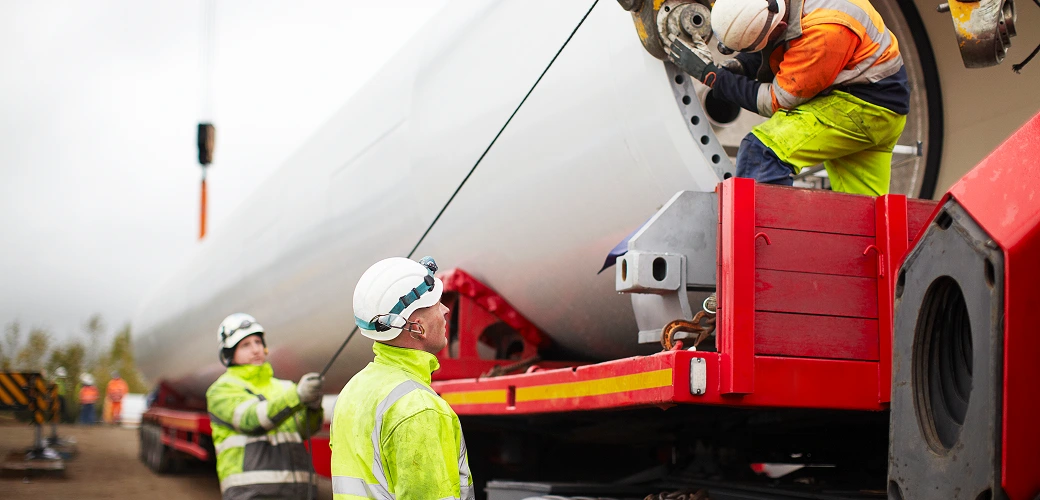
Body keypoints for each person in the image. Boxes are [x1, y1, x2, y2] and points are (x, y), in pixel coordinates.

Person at [668, 0, 909, 195]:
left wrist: (714, 78)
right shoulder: (783, 10)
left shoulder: (825, 32)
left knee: (762, 152)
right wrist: (741, 66)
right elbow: (778, 43)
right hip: (883, 109)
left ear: (780, 27)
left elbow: (776, 100)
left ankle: (766, 239)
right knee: (866, 218)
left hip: (862, 108)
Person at [331, 256, 474, 500]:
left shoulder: (353, 390)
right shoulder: (419, 408)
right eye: (437, 304)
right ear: (418, 328)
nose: (446, 310)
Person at [206, 313, 325, 499]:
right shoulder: (221, 390)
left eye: (258, 342)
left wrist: (313, 407)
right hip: (251, 493)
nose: (255, 350)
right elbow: (252, 420)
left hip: (299, 493)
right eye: (245, 345)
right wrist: (297, 396)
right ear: (229, 354)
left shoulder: (284, 387)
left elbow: (303, 430)